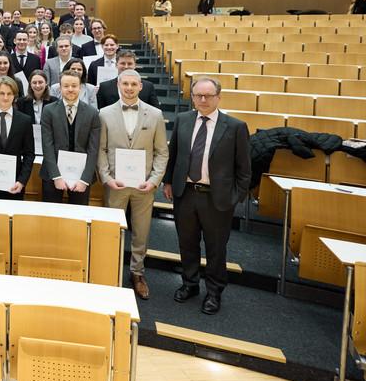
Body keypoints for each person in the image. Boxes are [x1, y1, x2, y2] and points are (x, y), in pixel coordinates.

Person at [164, 77, 251, 315]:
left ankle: (214, 292)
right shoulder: (183, 120)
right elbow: (174, 155)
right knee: (187, 243)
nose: (203, 100)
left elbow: (245, 170)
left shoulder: (235, 127)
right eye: (198, 95)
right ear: (192, 96)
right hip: (186, 194)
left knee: (215, 249)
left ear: (218, 97)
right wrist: (169, 181)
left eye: (208, 96)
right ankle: (190, 284)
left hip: (217, 198)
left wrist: (235, 198)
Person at [97, 69, 168, 300]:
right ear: (118, 85)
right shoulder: (104, 114)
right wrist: (107, 178)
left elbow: (161, 153)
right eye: (125, 83)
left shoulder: (155, 115)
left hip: (143, 187)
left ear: (140, 86)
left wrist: (154, 181)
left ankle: (137, 273)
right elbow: (101, 150)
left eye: (133, 84)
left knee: (141, 231)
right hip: (115, 185)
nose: (129, 88)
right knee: (111, 231)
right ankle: (110, 272)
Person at [40, 69, 101, 204]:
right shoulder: (48, 110)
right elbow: (47, 145)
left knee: (78, 218)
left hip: (81, 176)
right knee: (51, 216)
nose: (70, 89)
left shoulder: (92, 113)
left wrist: (85, 179)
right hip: (52, 173)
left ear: (80, 87)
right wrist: (56, 176)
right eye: (66, 86)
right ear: (60, 88)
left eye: (74, 85)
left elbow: (93, 149)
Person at [96, 49, 160, 109]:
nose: (126, 67)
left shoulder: (148, 87)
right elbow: (100, 113)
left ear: (135, 65)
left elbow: (155, 111)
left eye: (129, 64)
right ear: (116, 65)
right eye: (122, 63)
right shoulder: (104, 87)